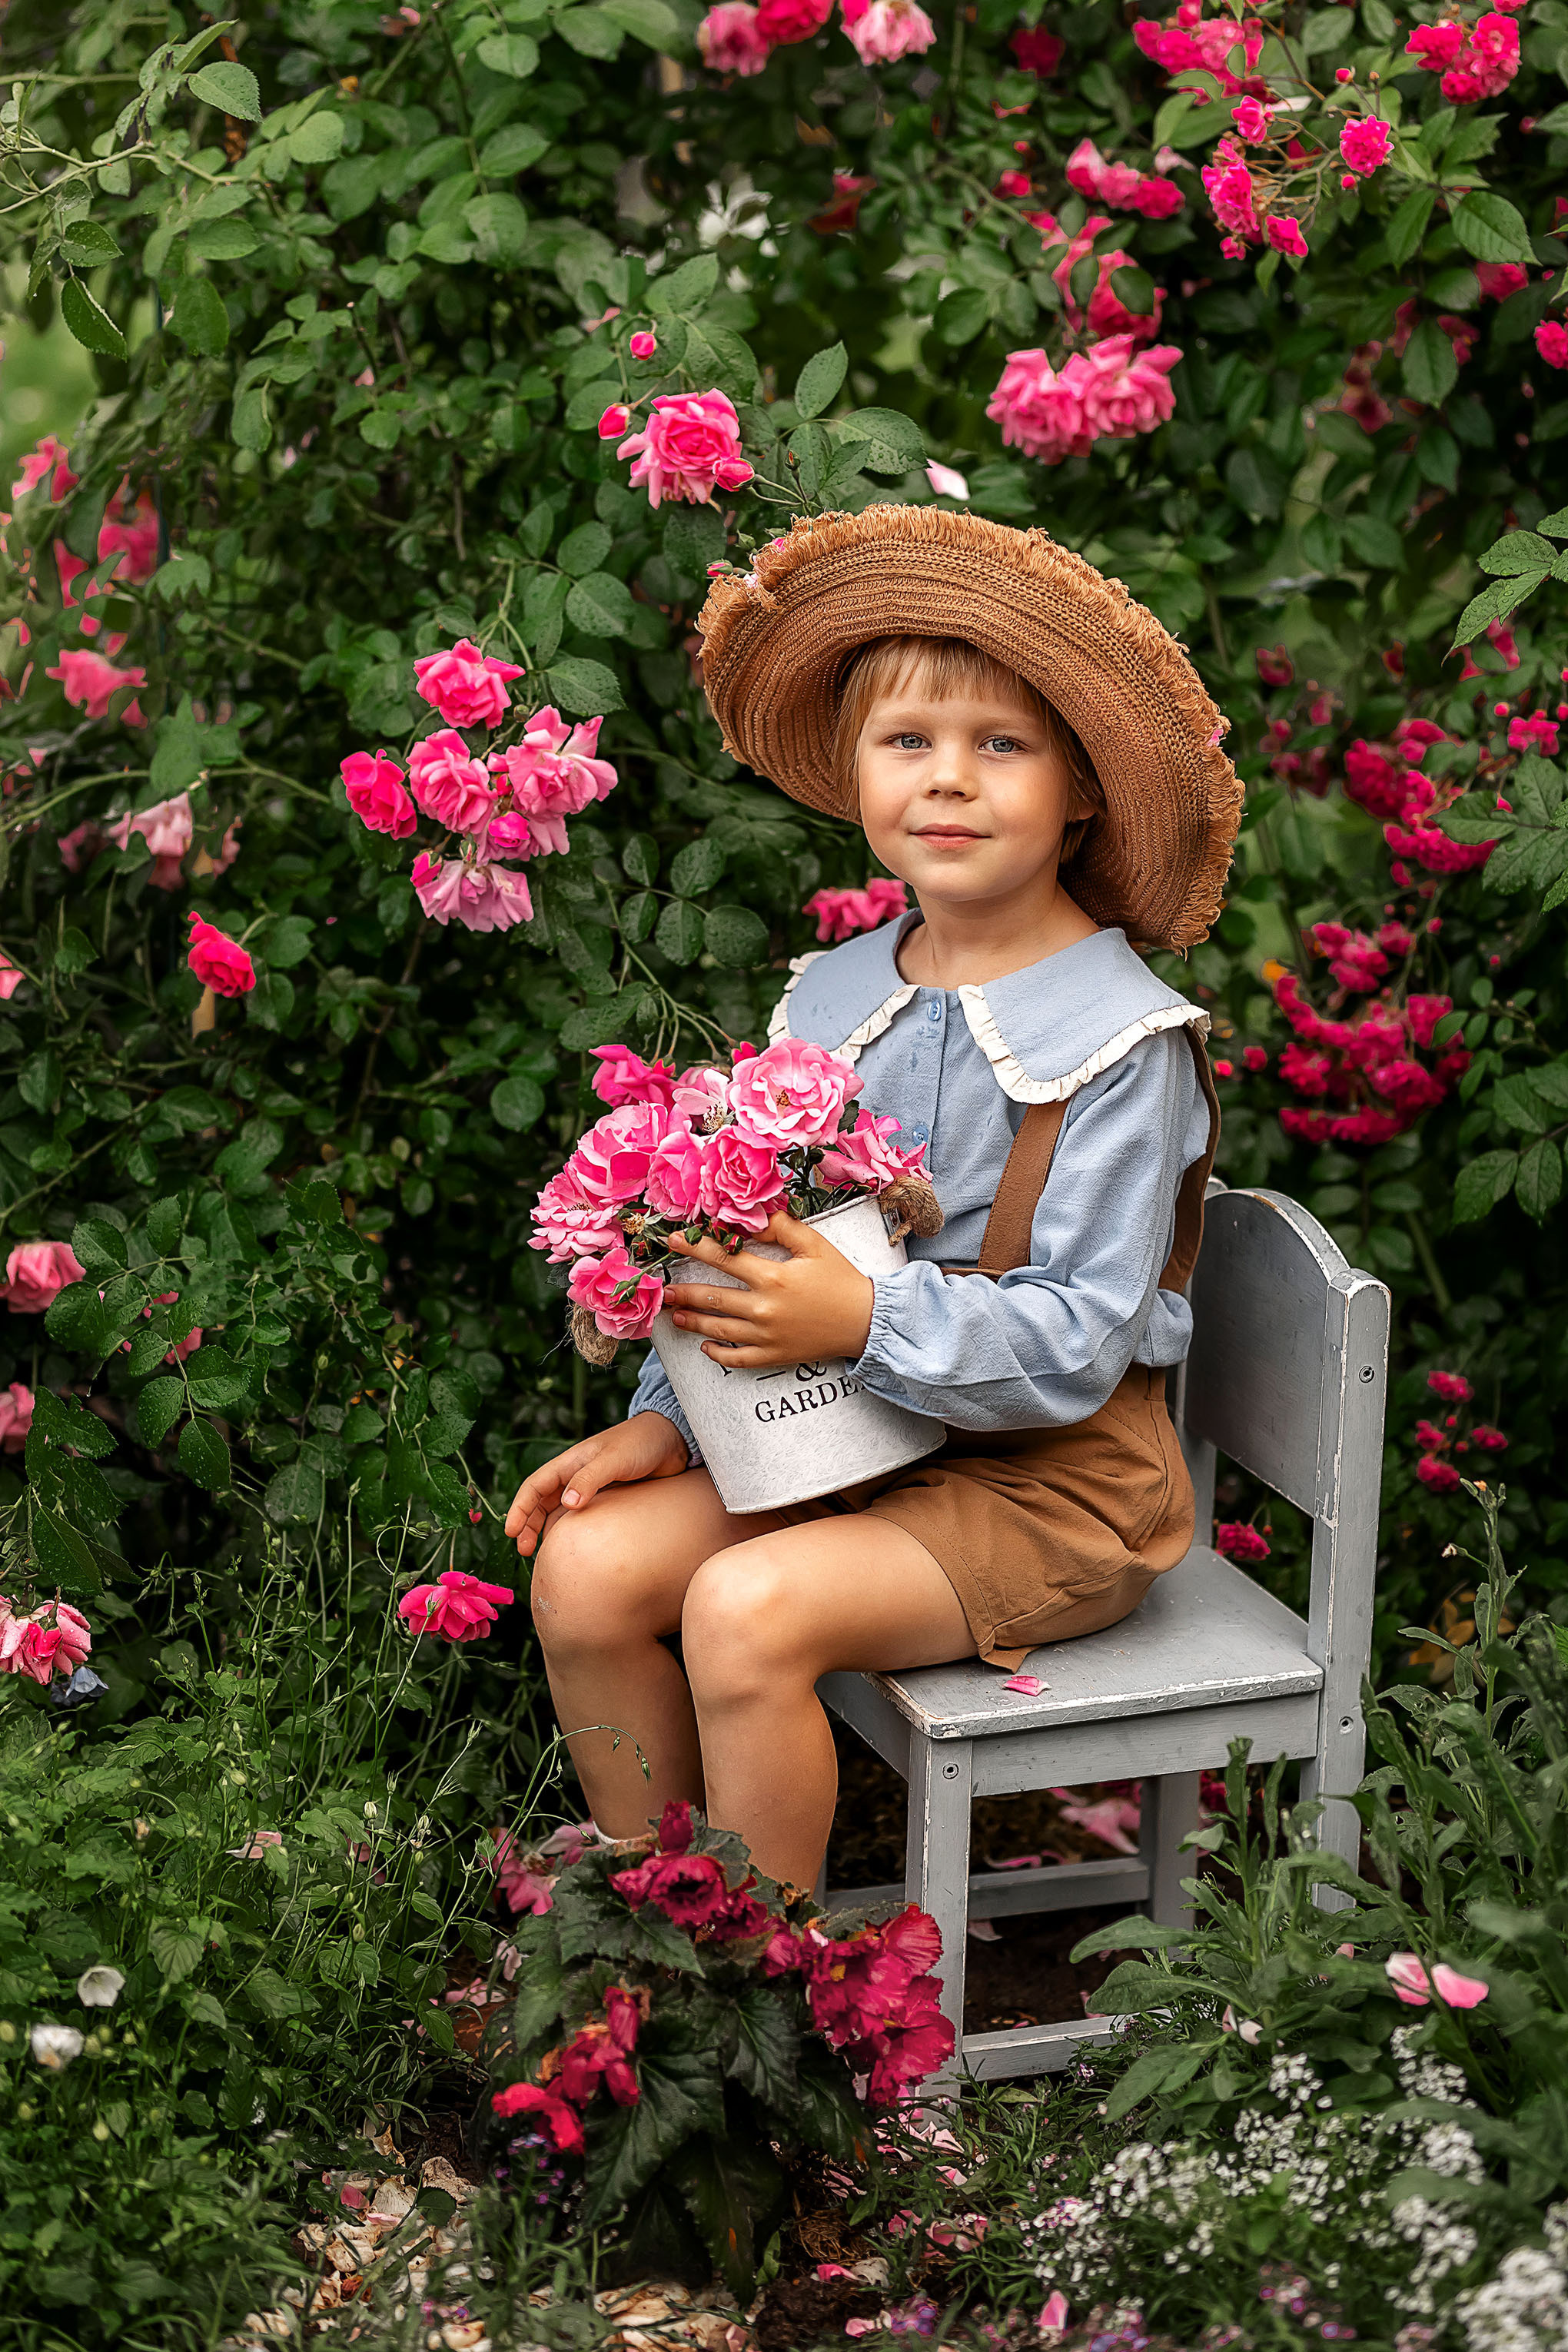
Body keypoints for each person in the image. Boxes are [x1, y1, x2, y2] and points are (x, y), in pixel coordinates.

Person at [504, 504, 1242, 1890]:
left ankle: (755, 1984)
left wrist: (859, 1317)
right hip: (847, 1434)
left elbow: (1080, 1340)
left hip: (1056, 1487)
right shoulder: (839, 992)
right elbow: (756, 1239)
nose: (947, 783)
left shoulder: (1121, 1043)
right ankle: (642, 1908)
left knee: (745, 1607)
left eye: (1000, 747)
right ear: (856, 775)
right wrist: (671, 1426)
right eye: (909, 743)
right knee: (588, 1571)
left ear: (1080, 789)